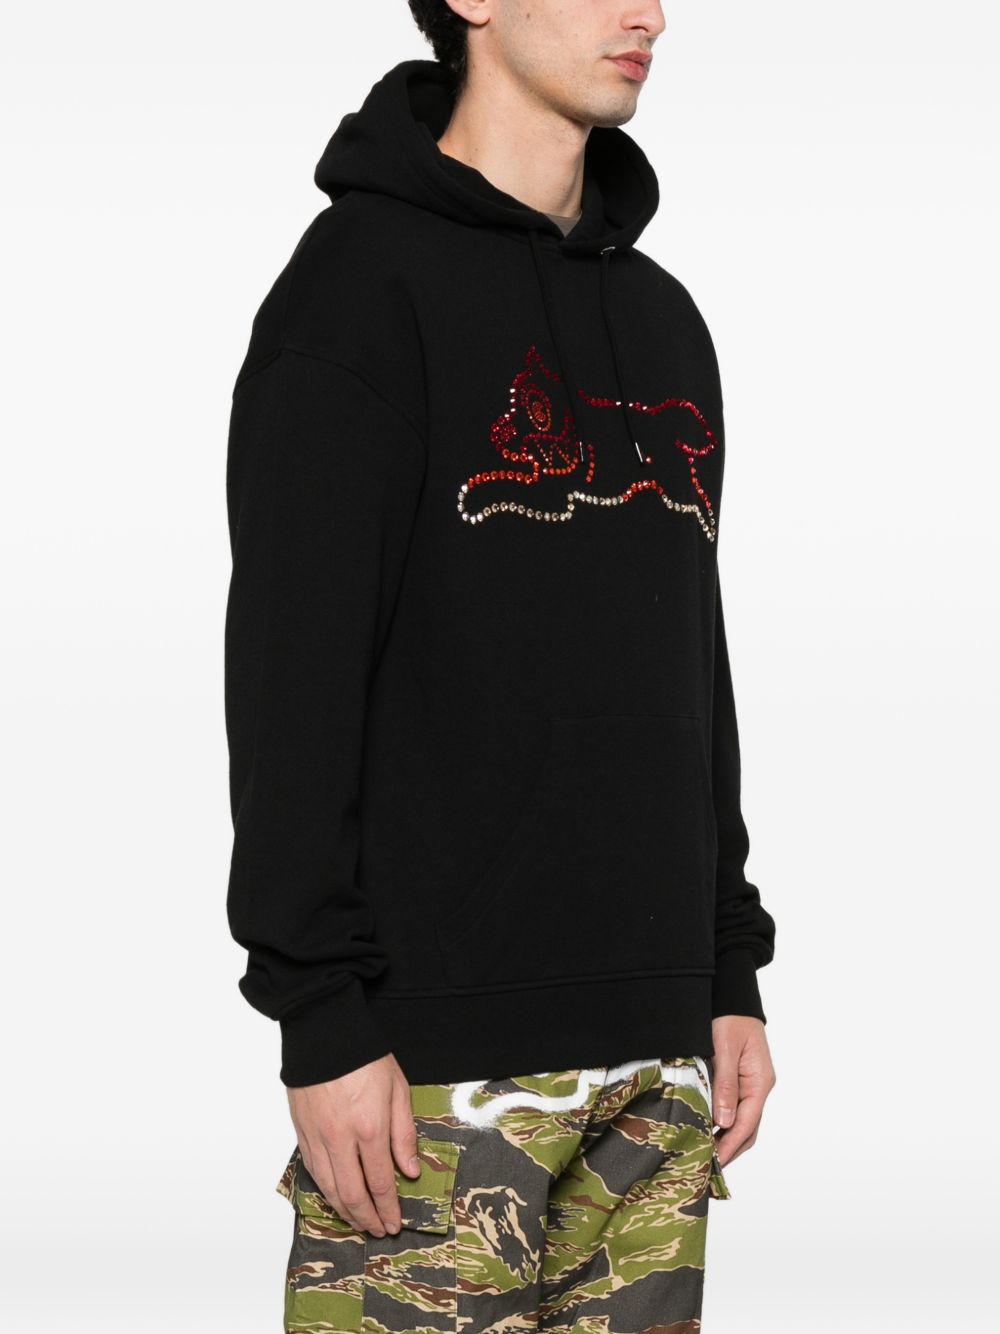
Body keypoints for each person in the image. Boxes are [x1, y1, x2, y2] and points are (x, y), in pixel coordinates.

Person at [223, 2, 777, 1328]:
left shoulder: (664, 319)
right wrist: (322, 1013)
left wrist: (726, 969)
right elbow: (291, 675)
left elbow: (688, 661)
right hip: (430, 1070)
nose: (649, 14)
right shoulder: (356, 293)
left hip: (657, 1065)